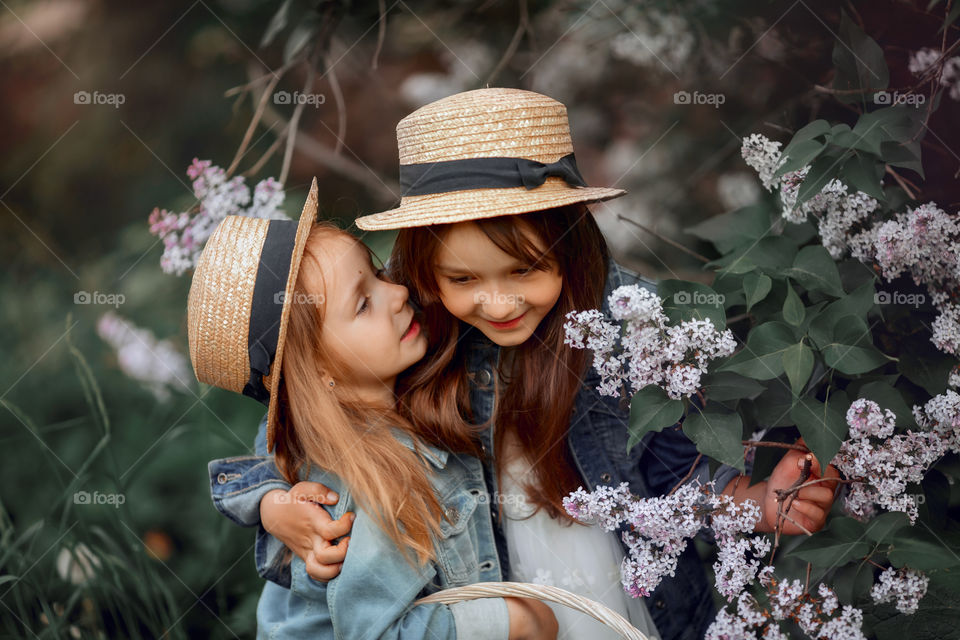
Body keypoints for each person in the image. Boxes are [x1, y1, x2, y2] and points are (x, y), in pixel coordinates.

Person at [209, 90, 838, 640]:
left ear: (569, 243)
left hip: (620, 581)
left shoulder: (626, 324)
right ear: (426, 271)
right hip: (502, 591)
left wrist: (751, 502)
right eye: (462, 278)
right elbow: (312, 428)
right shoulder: (406, 327)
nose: (500, 302)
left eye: (525, 270)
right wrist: (273, 505)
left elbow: (670, 468)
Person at [189, 179, 558, 639]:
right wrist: (509, 623)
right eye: (363, 303)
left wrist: (270, 501)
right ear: (318, 371)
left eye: (379, 274)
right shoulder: (361, 489)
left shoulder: (368, 417)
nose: (399, 292)